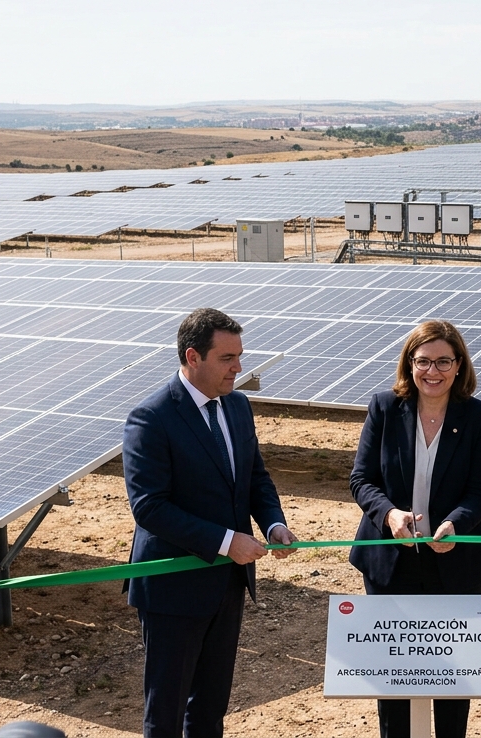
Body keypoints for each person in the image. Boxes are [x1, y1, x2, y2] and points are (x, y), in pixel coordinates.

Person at [122, 308, 298, 738]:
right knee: (166, 710)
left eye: (239, 356)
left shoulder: (237, 406)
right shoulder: (151, 418)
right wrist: (225, 541)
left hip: (227, 583)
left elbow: (255, 477)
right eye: (227, 358)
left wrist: (274, 523)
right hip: (173, 589)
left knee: (210, 708)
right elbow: (149, 507)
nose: (239, 367)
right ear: (192, 357)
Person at [349, 320, 481, 738]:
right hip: (390, 563)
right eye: (423, 361)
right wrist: (389, 515)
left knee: (453, 682)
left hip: (456, 563)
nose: (432, 372)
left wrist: (456, 522)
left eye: (443, 362)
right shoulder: (383, 407)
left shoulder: (479, 417)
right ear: (409, 363)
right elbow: (361, 479)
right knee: (394, 680)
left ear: (459, 365)